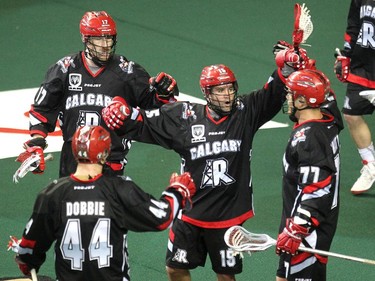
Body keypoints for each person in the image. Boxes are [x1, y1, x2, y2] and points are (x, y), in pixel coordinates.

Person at [101, 44, 313, 280]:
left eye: (230, 89)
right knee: (175, 267)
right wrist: (123, 114)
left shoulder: (245, 112)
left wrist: (285, 68)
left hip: (227, 217)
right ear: (207, 93)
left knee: (225, 275)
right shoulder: (184, 117)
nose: (227, 95)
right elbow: (144, 123)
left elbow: (272, 93)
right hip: (191, 213)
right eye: (220, 90)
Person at [9, 125, 196, 281]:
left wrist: (28, 262)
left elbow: (27, 252)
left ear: (74, 150)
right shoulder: (119, 189)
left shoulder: (52, 194)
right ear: (106, 153)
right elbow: (162, 217)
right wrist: (177, 191)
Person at [19, 10, 178, 178]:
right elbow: (42, 110)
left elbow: (156, 108)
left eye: (109, 38)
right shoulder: (64, 69)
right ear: (85, 39)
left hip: (111, 159)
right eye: (99, 39)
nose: (105, 44)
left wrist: (163, 93)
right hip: (73, 160)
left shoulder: (128, 72)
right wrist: (37, 142)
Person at [275, 69, 343, 281]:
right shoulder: (329, 121)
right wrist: (304, 68)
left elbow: (318, 187)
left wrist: (298, 229)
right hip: (310, 225)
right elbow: (329, 97)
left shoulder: (309, 139)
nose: (287, 98)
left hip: (308, 231)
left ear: (303, 101)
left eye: (291, 94)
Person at [334, 0, 375, 194]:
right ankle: (371, 165)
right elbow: (353, 25)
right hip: (363, 66)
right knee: (352, 114)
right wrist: (346, 55)